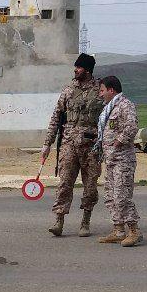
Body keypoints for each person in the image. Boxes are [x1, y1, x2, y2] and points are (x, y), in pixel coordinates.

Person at [41, 53, 103, 237]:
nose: (75, 70)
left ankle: (85, 221)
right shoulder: (68, 90)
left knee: (90, 185)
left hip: (91, 145)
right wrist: (47, 144)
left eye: (79, 67)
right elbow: (56, 117)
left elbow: (108, 117)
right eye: (75, 67)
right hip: (68, 143)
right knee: (65, 183)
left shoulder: (100, 89)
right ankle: (59, 220)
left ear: (88, 69)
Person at [93, 76, 143, 246]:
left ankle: (134, 231)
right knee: (110, 196)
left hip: (123, 159)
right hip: (111, 159)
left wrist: (118, 141)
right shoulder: (109, 108)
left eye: (102, 90)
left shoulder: (124, 105)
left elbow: (132, 126)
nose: (100, 94)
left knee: (122, 196)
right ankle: (118, 229)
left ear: (111, 90)